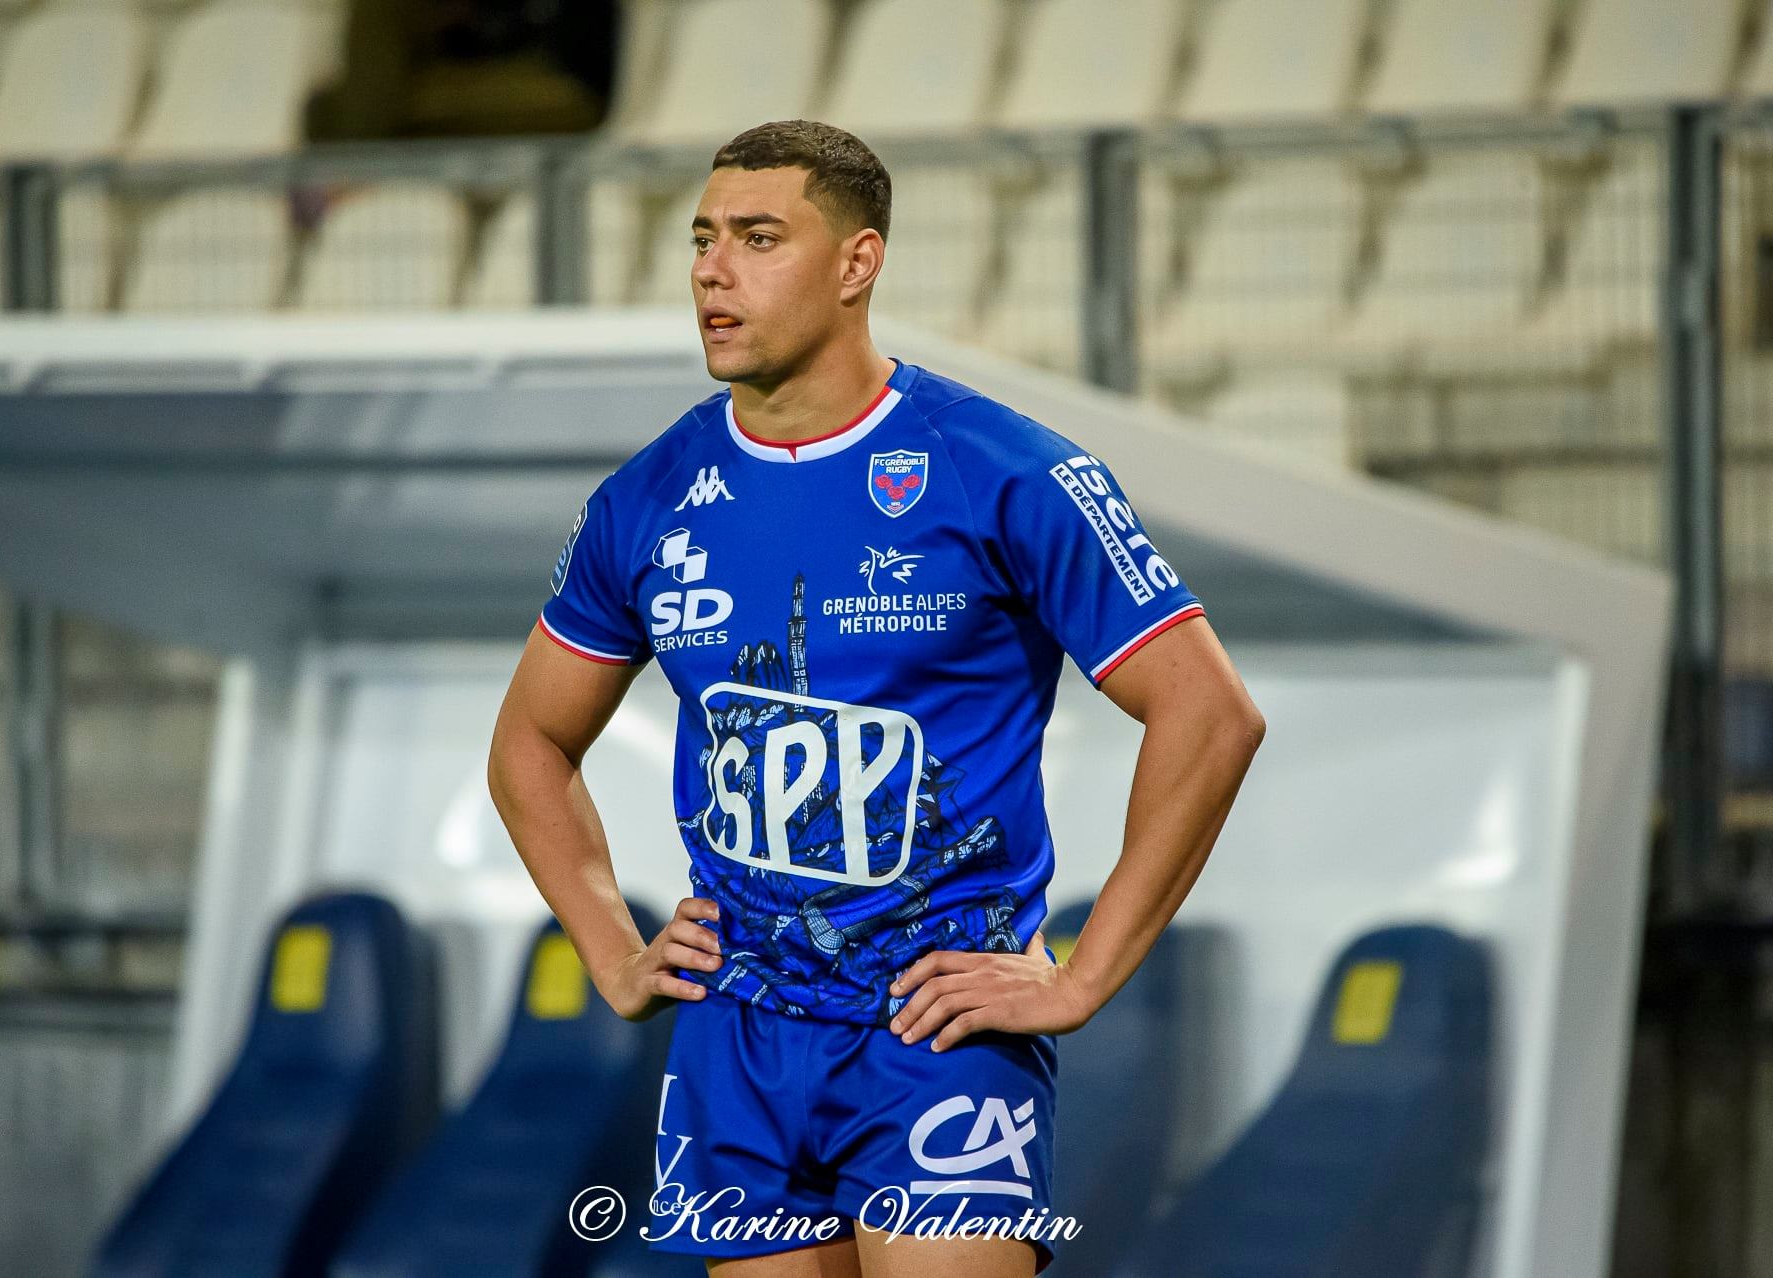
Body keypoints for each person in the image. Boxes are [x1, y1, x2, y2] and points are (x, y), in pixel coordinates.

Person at [488, 119, 1266, 1278]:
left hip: (934, 1026)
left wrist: (1086, 972)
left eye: (758, 238)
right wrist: (614, 951)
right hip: (738, 1036)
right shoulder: (646, 500)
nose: (712, 269)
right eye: (703, 239)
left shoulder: (1002, 468)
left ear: (858, 264)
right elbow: (530, 745)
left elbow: (1210, 713)